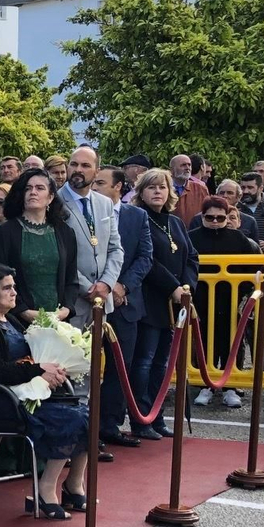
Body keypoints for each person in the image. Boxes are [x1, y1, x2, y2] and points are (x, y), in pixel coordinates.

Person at [0, 265, 90, 519]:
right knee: (70, 418)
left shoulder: (10, 320)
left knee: (89, 413)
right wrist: (37, 371)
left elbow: (29, 359)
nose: (14, 292)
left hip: (22, 394)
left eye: (14, 286)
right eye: (7, 287)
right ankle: (45, 490)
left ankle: (73, 485)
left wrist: (53, 370)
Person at [130, 169, 197, 438]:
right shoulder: (139, 219)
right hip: (150, 299)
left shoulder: (177, 222)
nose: (158, 192)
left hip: (176, 301)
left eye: (162, 187)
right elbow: (148, 260)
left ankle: (157, 416)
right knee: (144, 361)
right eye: (151, 187)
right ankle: (141, 418)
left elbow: (191, 256)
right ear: (142, 192)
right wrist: (173, 287)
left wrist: (186, 287)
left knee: (163, 364)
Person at [90, 165, 152, 447]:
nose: (94, 188)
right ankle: (85, 427)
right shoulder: (82, 213)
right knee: (85, 366)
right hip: (89, 300)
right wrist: (104, 284)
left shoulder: (137, 216)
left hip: (125, 304)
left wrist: (122, 285)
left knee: (120, 367)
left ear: (118, 187)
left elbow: (144, 257)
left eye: (100, 183)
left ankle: (108, 426)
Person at [189, 195, 259, 409]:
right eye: (210, 218)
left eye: (220, 218)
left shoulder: (238, 239)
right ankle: (205, 385)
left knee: (233, 342)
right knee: (204, 343)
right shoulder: (191, 237)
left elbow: (252, 267)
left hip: (231, 300)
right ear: (202, 216)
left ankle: (231, 387)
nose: (215, 222)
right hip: (201, 299)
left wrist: (244, 293)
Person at [0, 169, 80, 325]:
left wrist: (66, 310)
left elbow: (71, 278)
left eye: (40, 188)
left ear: (50, 197)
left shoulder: (65, 232)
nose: (33, 192)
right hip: (17, 320)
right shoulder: (5, 233)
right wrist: (24, 311)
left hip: (58, 320)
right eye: (28, 188)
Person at [59, 147, 125, 323]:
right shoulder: (54, 202)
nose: (78, 169)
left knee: (97, 351)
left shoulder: (105, 204)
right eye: (74, 164)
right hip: (70, 303)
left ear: (96, 172)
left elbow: (115, 248)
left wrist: (107, 284)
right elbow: (59, 255)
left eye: (85, 165)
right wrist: (89, 289)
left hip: (102, 302)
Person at [191, 179, 258, 244]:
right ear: (216, 195)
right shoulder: (198, 219)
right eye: (222, 193)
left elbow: (254, 249)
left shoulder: (249, 221)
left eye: (230, 193)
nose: (225, 196)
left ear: (239, 197)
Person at [169, 154, 209, 223]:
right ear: (172, 169)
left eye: (189, 165)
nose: (187, 168)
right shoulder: (164, 188)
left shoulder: (201, 189)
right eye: (183, 165)